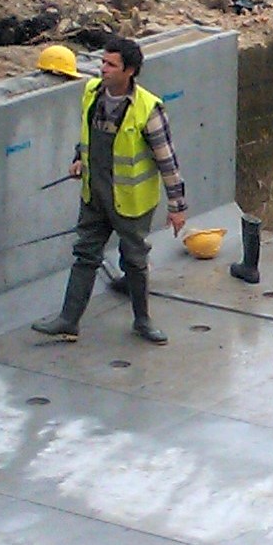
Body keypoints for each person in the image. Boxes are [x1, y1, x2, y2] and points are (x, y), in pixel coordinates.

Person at [32, 37, 189, 345]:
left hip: (131, 202)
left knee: (133, 259)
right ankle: (68, 320)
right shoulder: (92, 93)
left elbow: (167, 160)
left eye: (110, 64)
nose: (102, 69)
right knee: (85, 253)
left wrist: (177, 206)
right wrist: (79, 158)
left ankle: (142, 321)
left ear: (129, 71)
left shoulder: (148, 109)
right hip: (95, 194)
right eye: (102, 62)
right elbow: (86, 135)